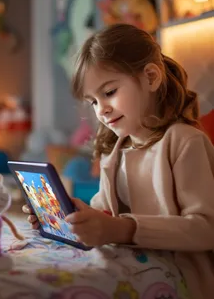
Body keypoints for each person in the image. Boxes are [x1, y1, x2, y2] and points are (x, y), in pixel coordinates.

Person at [22, 24, 214, 299]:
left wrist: (124, 228)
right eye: (93, 102)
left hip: (185, 281)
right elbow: (102, 213)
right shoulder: (115, 154)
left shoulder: (184, 142)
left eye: (109, 92)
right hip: (137, 272)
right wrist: (71, 217)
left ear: (150, 77)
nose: (102, 110)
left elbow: (206, 228)